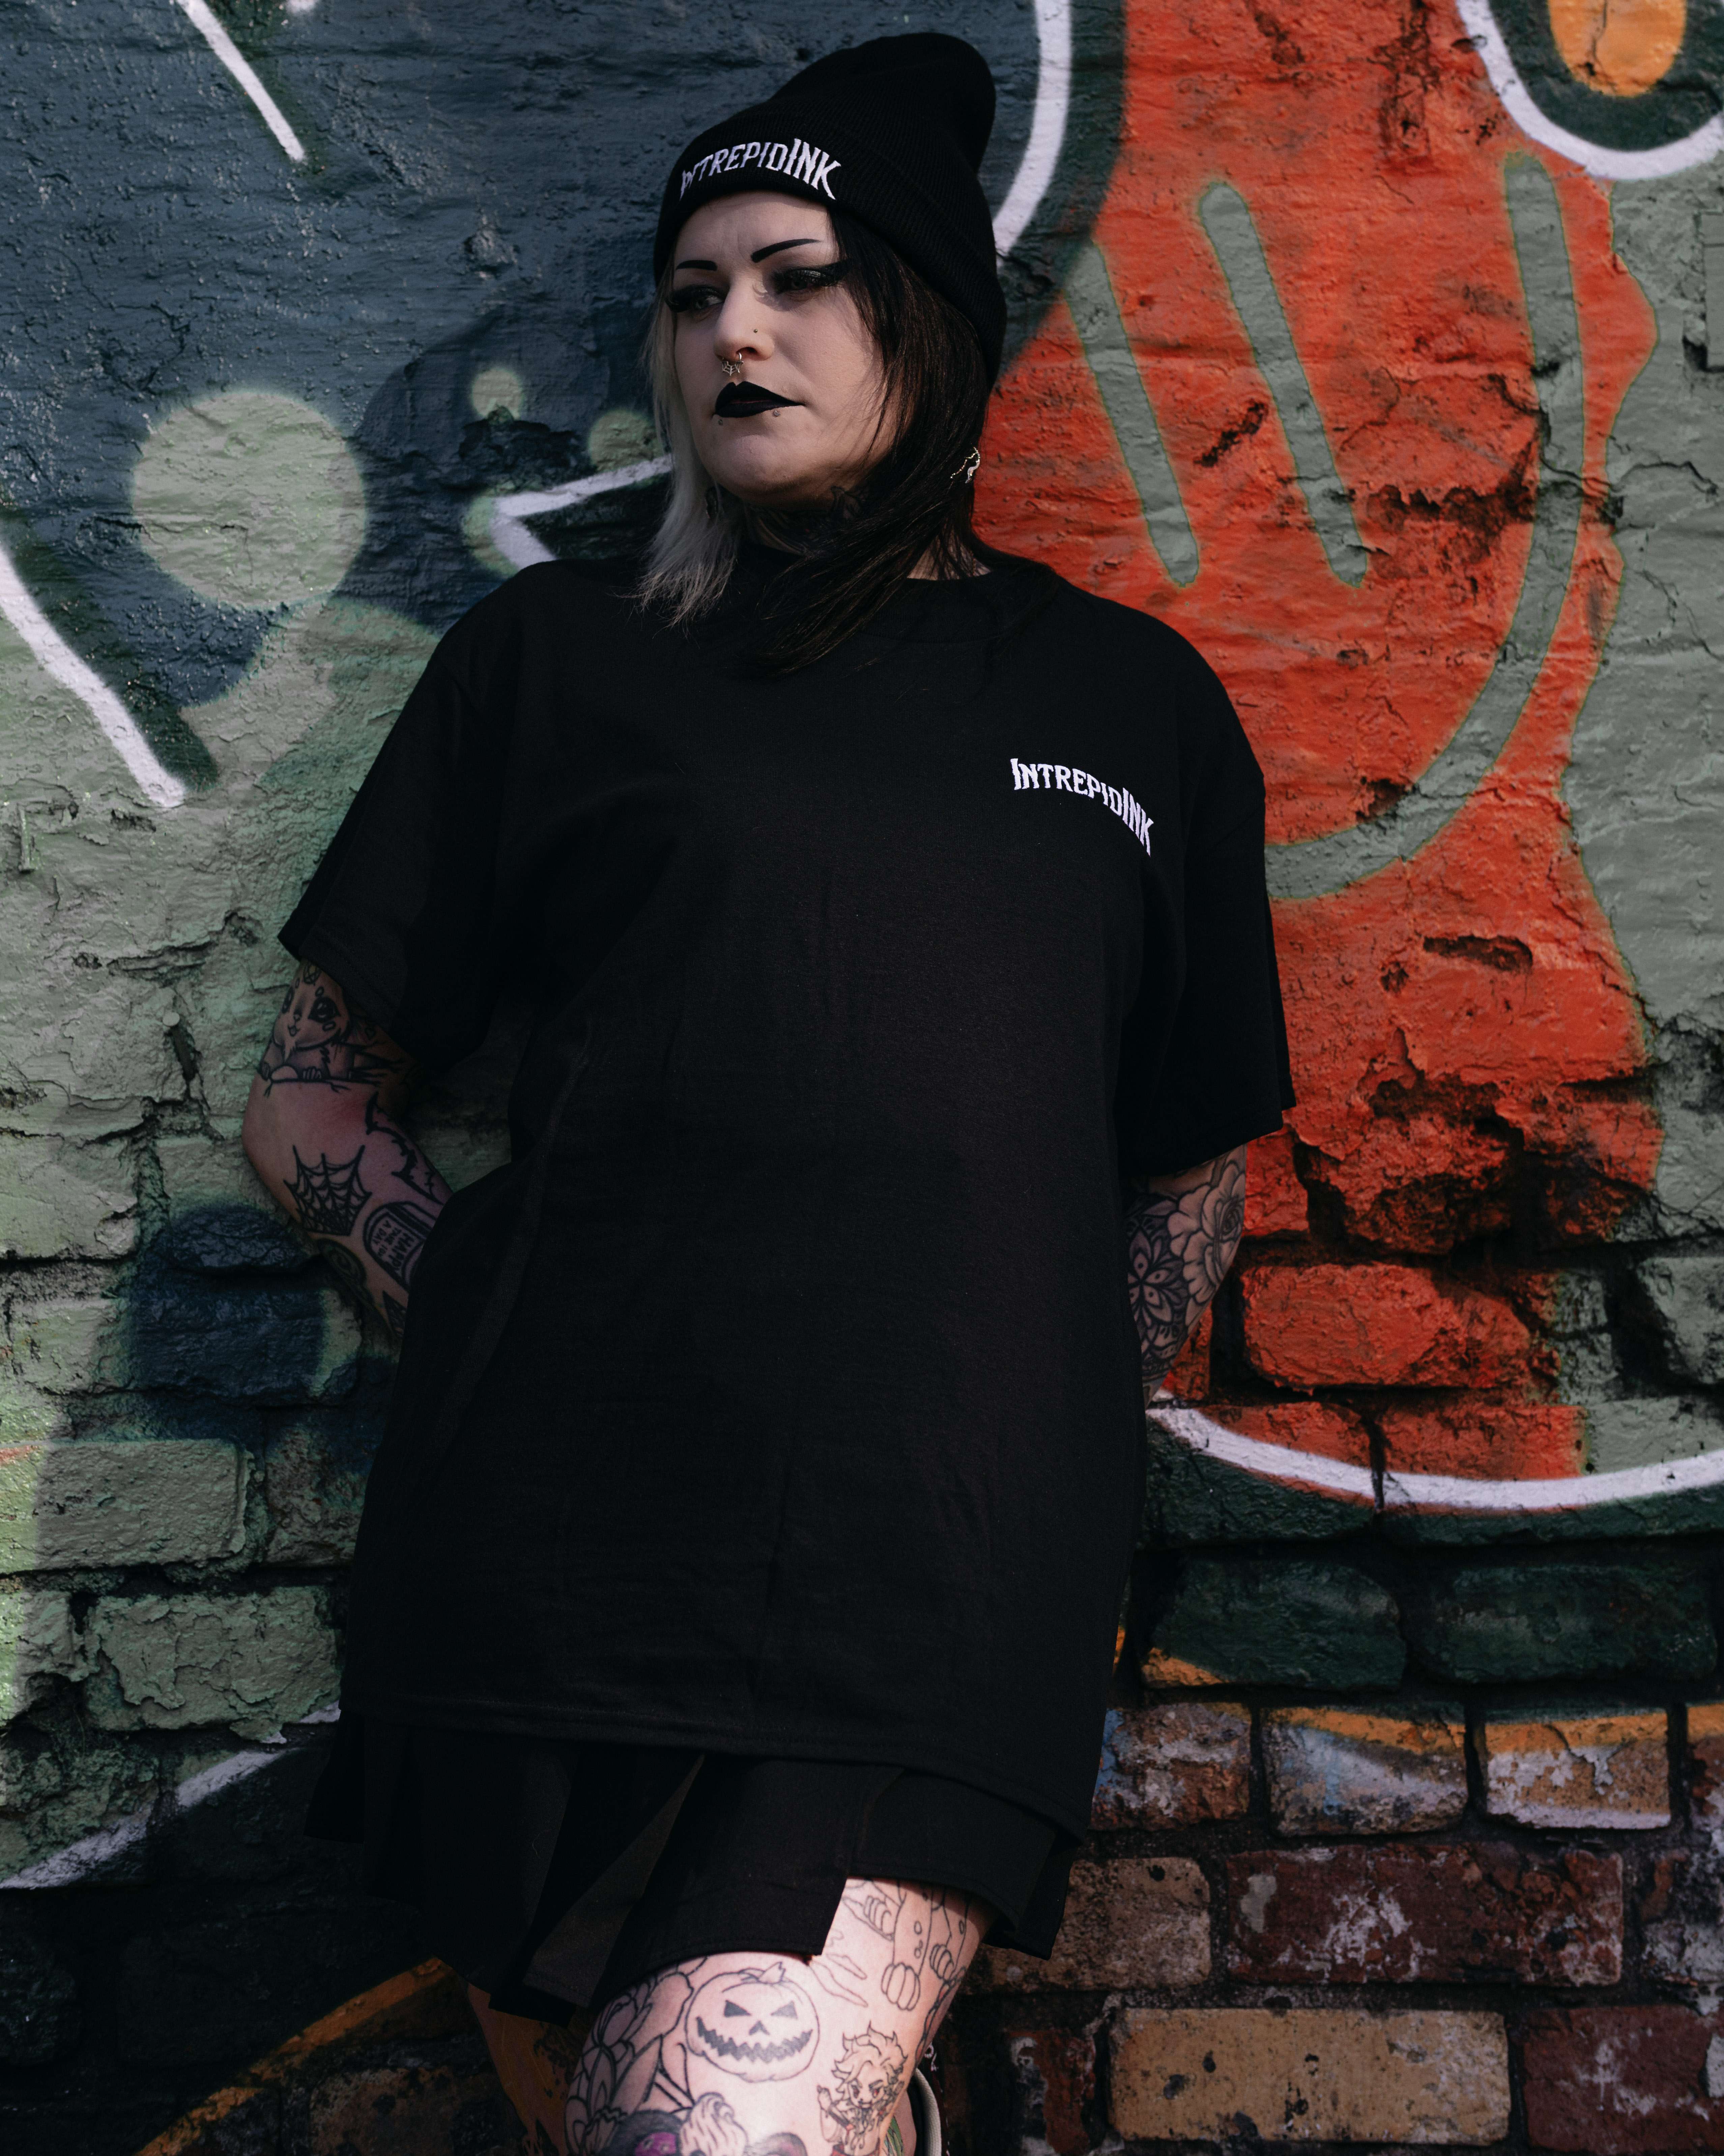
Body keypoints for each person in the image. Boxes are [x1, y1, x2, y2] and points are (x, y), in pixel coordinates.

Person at [242, 33, 1293, 2156]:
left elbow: (1185, 1172)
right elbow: (312, 1110)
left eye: (801, 278)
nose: (734, 329)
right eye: (694, 290)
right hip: (538, 1585)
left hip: (917, 1615)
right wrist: (499, 1320)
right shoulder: (553, 661)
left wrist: (1027, 1439)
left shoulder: (1130, 708)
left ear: (926, 319)